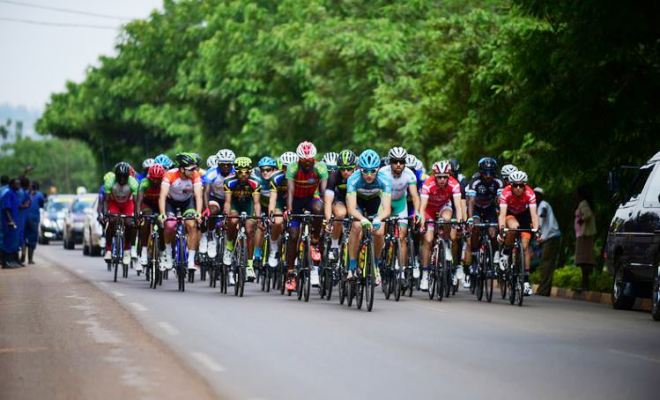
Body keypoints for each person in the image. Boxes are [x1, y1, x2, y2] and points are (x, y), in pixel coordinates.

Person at [284, 141, 328, 290]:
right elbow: (289, 190)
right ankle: (290, 273)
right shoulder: (293, 168)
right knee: (293, 235)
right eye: (304, 160)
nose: (307, 163)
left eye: (310, 160)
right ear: (299, 159)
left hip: (311, 199)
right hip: (295, 200)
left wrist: (326, 213)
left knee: (319, 207)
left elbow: (323, 192)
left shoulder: (320, 168)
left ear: (314, 158)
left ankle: (314, 241)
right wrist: (289, 209)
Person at [346, 149, 392, 281]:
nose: (369, 175)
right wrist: (362, 219)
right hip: (358, 204)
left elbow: (387, 209)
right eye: (365, 171)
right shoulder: (353, 179)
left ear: (378, 169)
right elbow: (351, 209)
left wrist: (378, 218)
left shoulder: (385, 180)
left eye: (373, 171)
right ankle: (352, 266)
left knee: (379, 231)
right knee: (356, 226)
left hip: (375, 202)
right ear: (360, 169)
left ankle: (375, 264)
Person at [419, 161, 463, 291]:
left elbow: (458, 207)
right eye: (439, 177)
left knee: (447, 219)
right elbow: (422, 207)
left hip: (444, 206)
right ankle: (425, 275)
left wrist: (460, 222)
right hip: (429, 210)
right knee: (428, 240)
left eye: (445, 176)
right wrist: (422, 223)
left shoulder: (454, 184)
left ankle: (446, 243)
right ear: (434, 176)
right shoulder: (428, 184)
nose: (443, 180)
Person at [158, 153, 203, 272]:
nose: (194, 171)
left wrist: (198, 212)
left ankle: (191, 261)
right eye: (191, 169)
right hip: (171, 203)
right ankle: (168, 256)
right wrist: (162, 213)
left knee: (191, 225)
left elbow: (198, 196)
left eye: (195, 168)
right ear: (182, 169)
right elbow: (162, 196)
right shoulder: (170, 175)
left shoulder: (195, 175)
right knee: (170, 225)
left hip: (187, 203)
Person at [379, 146, 420, 276]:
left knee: (401, 238)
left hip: (400, 205)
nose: (398, 164)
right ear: (390, 162)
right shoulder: (382, 172)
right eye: (395, 161)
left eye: (401, 161)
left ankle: (401, 271)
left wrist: (417, 212)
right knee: (379, 232)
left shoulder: (410, 174)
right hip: (384, 203)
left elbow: (414, 196)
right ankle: (380, 256)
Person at [498, 170, 539, 296]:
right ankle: (505, 253)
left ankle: (525, 281)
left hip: (524, 216)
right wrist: (501, 231)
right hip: (510, 215)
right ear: (510, 185)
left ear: (525, 185)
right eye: (515, 185)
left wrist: (537, 230)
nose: (518, 188)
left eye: (521, 185)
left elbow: (534, 215)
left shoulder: (530, 193)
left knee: (525, 247)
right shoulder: (505, 193)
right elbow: (502, 215)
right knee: (514, 227)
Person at [223, 157, 261, 281]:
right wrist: (225, 216)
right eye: (240, 172)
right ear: (235, 172)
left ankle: (249, 266)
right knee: (233, 220)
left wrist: (259, 219)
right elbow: (228, 202)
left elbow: (256, 203)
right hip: (235, 205)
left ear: (250, 172)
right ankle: (229, 247)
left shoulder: (255, 182)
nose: (243, 175)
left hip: (248, 205)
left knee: (250, 230)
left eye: (246, 172)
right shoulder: (229, 181)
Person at [323, 149, 356, 262]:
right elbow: (328, 201)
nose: (346, 172)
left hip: (355, 200)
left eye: (349, 169)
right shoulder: (334, 176)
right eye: (342, 169)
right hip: (339, 199)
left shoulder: (360, 176)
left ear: (355, 167)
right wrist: (328, 221)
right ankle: (334, 246)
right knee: (341, 214)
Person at [534, 187, 561, 296]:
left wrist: (538, 236)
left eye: (536, 195)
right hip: (549, 237)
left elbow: (542, 218)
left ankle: (543, 290)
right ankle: (545, 289)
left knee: (546, 263)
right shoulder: (540, 205)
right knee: (547, 264)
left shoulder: (543, 205)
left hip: (550, 237)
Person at [574, 185, 596, 291]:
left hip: (584, 235)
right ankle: (584, 283)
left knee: (584, 260)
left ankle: (585, 284)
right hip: (583, 235)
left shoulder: (583, 203)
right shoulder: (586, 203)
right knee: (585, 260)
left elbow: (587, 215)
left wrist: (580, 220)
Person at [2, 178, 22, 268]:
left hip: (15, 221)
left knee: (14, 242)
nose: (18, 185)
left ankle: (12, 260)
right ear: (11, 185)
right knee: (8, 242)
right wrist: (10, 221)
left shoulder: (15, 194)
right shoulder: (8, 194)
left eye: (19, 184)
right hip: (8, 222)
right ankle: (6, 262)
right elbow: (6, 209)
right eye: (16, 184)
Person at [24, 181, 45, 264]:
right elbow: (42, 205)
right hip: (34, 220)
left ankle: (22, 256)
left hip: (24, 219)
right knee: (32, 239)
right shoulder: (39, 195)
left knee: (23, 238)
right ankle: (30, 259)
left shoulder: (24, 193)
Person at [17, 176, 31, 264]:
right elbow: (28, 202)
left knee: (20, 237)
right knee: (23, 237)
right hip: (23, 218)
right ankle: (23, 255)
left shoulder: (17, 192)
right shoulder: (24, 193)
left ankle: (20, 256)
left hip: (19, 218)